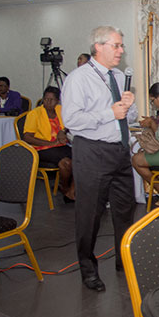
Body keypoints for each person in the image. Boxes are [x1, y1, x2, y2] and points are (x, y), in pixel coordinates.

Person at [61, 26, 138, 292]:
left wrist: (129, 107)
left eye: (121, 46)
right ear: (99, 47)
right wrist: (109, 113)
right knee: (90, 214)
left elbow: (130, 117)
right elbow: (70, 120)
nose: (121, 51)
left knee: (124, 210)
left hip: (119, 152)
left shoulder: (118, 76)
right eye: (116, 46)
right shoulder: (79, 79)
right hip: (92, 152)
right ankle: (87, 268)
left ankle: (123, 260)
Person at [22, 86, 75, 201]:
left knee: (81, 159)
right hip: (41, 149)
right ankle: (67, 190)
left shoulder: (61, 110)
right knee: (68, 162)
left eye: (52, 100)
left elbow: (70, 123)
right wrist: (49, 143)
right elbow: (27, 137)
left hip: (61, 146)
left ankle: (69, 191)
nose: (48, 102)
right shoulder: (35, 114)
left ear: (57, 101)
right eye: (46, 99)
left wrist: (63, 131)